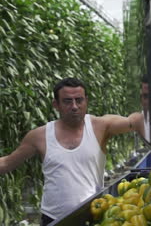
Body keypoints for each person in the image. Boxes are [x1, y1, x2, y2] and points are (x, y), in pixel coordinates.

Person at [0, 77, 143, 225]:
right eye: (67, 101)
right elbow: (6, 163)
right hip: (54, 218)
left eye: (79, 100)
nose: (74, 106)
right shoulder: (40, 136)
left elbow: (133, 121)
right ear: (56, 104)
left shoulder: (99, 127)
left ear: (86, 101)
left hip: (93, 213)